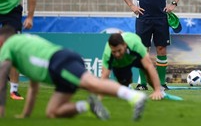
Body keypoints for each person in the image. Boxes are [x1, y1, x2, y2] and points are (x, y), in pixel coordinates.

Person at [0, 26, 147, 120]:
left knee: (92, 84)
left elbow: (1, 78)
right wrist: (25, 115)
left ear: (2, 40)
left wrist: (1, 109)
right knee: (53, 112)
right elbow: (33, 86)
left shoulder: (9, 45)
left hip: (58, 62)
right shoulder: (21, 49)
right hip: (60, 66)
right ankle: (88, 106)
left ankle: (135, 96)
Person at [118, 0, 184, 90]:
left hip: (161, 18)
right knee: (143, 50)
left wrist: (173, 4)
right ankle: (142, 83)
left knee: (161, 49)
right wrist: (132, 6)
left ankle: (161, 83)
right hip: (143, 18)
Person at [101, 32, 163, 100]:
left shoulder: (136, 45)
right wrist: (99, 96)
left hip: (135, 58)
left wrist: (157, 90)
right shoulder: (108, 53)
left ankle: (159, 91)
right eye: (114, 52)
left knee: (148, 72)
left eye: (119, 50)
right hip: (120, 63)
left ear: (124, 45)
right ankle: (128, 89)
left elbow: (150, 66)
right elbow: (104, 76)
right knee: (124, 85)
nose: (117, 54)